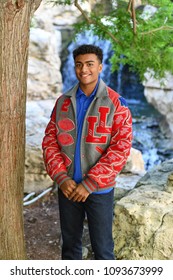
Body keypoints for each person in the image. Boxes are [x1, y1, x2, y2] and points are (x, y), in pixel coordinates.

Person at [42, 44, 132, 260]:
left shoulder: (116, 103)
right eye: (79, 65)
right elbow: (50, 141)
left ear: (100, 67)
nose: (84, 70)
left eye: (90, 64)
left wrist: (91, 183)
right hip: (68, 188)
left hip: (99, 190)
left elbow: (121, 147)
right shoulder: (63, 103)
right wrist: (61, 178)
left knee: (102, 250)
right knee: (70, 248)